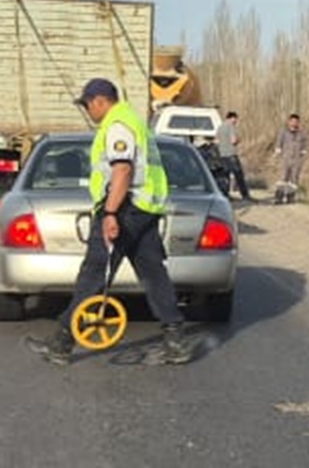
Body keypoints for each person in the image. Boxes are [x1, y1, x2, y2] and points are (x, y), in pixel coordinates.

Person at [27, 78, 190, 366]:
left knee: (94, 273)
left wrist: (111, 212)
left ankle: (62, 342)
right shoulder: (133, 120)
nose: (88, 111)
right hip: (144, 209)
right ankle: (175, 340)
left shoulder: (117, 125)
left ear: (99, 101)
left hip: (124, 208)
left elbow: (122, 170)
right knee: (153, 273)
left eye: (87, 105)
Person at [216, 110, 253, 202]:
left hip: (222, 155)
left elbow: (217, 140)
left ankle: (225, 195)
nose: (236, 121)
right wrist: (239, 139)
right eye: (235, 119)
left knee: (225, 176)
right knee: (239, 175)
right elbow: (233, 140)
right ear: (231, 118)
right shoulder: (231, 126)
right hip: (231, 154)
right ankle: (245, 195)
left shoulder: (220, 127)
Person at [272, 113, 307, 204]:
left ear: (298, 123)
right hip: (285, 159)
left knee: (294, 179)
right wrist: (277, 151)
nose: (294, 123)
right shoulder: (283, 132)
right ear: (289, 122)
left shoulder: (301, 134)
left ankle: (290, 197)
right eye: (292, 121)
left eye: (296, 122)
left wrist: (303, 154)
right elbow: (278, 143)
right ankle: (279, 197)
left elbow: (304, 146)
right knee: (283, 178)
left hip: (296, 159)